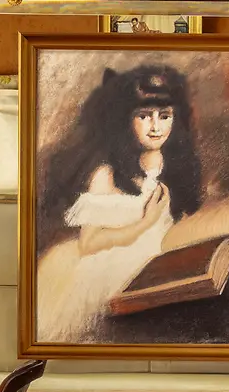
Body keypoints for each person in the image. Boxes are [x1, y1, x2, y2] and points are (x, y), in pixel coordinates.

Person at [33, 63, 198, 340]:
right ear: (127, 120)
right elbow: (88, 244)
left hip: (159, 264)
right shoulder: (107, 175)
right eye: (144, 116)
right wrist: (145, 223)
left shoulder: (174, 170)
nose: (156, 127)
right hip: (110, 268)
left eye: (164, 116)